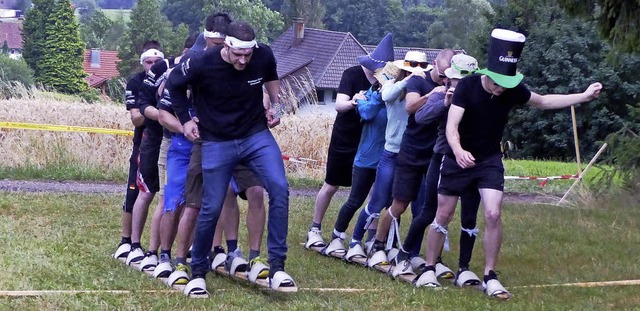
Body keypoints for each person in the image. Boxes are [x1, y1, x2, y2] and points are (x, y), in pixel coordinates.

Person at [420, 29, 602, 300]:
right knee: (443, 215)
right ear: (488, 74)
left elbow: (543, 101)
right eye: (497, 83)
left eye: (506, 84)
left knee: (493, 214)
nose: (501, 89)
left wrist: (583, 96)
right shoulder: (467, 86)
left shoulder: (513, 89)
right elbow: (451, 126)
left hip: (489, 159)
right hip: (458, 158)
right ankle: (429, 267)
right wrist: (457, 150)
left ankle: (490, 276)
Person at [167, 21, 294, 296]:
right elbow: (174, 85)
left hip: (255, 134)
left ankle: (277, 267)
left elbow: (272, 77)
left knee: (280, 189)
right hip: (216, 140)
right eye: (238, 55)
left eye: (248, 55)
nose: (243, 60)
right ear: (227, 45)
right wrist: (186, 121)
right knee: (211, 206)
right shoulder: (201, 61)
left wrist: (277, 106)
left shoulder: (263, 55)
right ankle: (197, 273)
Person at [396, 54, 482, 284]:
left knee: (469, 216)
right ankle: (404, 255)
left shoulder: (481, 96)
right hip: (442, 158)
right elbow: (420, 116)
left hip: (473, 161)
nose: (452, 84)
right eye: (450, 80)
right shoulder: (443, 94)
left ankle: (464, 268)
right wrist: (445, 104)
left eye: (457, 80)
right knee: (428, 212)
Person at [305, 33, 395, 249]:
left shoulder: (387, 81)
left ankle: (371, 235)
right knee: (332, 184)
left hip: (370, 142)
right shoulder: (351, 74)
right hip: (345, 138)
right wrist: (356, 101)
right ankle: (315, 228)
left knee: (375, 188)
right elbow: (339, 105)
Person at [368, 49, 454, 263]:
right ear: (435, 64)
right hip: (412, 150)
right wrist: (431, 95)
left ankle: (415, 253)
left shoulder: (454, 85)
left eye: (448, 76)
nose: (445, 79)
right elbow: (410, 108)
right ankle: (378, 243)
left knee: (428, 208)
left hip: (435, 154)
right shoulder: (419, 80)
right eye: (442, 75)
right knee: (399, 203)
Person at [346, 51, 430, 259]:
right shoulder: (393, 87)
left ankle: (409, 251)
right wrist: (409, 80)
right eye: (411, 70)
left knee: (418, 206)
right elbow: (386, 95)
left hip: (415, 155)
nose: (417, 74)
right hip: (392, 153)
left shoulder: (422, 91)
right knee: (378, 200)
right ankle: (356, 241)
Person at [322, 79, 387, 260]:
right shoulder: (365, 97)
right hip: (366, 160)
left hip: (387, 159)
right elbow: (366, 113)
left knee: (383, 202)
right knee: (355, 200)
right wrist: (380, 97)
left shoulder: (395, 101)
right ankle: (337, 236)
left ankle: (376, 241)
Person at [114, 41, 164, 263]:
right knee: (134, 190)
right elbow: (136, 118)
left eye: (157, 62)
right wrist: (156, 110)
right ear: (142, 62)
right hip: (143, 140)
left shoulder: (167, 77)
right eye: (148, 62)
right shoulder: (135, 81)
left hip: (166, 140)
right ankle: (128, 241)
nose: (152, 65)